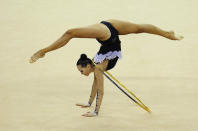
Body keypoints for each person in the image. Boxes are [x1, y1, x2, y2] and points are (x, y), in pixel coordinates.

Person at [29, 19, 183, 117]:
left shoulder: (98, 67)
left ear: (87, 65)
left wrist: (95, 112)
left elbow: (100, 89)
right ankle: (167, 34)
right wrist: (89, 103)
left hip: (106, 32)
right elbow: (96, 84)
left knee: (70, 32)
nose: (82, 74)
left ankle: (43, 51)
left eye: (82, 71)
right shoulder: (97, 65)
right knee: (137, 28)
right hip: (108, 34)